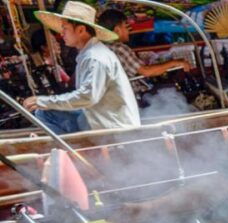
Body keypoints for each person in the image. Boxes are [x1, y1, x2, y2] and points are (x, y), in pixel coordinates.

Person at [22, 1, 139, 134]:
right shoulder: (89, 53)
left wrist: (43, 101)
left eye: (65, 28)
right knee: (44, 112)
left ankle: (74, 151)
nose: (61, 34)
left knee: (44, 111)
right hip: (100, 118)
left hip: (113, 126)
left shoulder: (95, 57)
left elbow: (88, 97)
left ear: (81, 30)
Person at [97, 8, 191, 98]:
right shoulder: (119, 48)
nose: (129, 31)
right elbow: (146, 71)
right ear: (117, 30)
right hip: (136, 96)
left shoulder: (101, 48)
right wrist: (175, 63)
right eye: (126, 27)